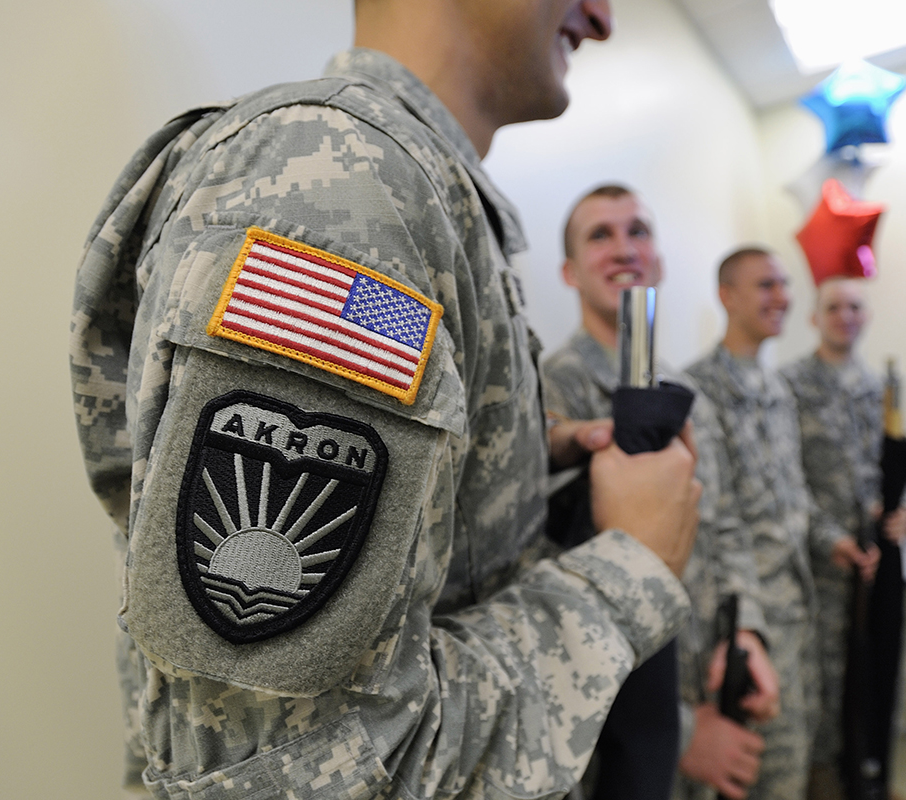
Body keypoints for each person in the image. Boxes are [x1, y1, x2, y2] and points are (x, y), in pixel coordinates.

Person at [69, 2, 705, 798]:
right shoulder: (339, 184)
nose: (604, 17)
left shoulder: (400, 189)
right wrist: (630, 570)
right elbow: (294, 777)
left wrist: (531, 455)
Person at [539, 186, 781, 800]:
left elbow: (721, 522)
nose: (624, 247)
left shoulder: (680, 389)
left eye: (638, 231)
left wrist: (742, 632)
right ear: (569, 272)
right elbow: (544, 588)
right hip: (615, 729)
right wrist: (676, 727)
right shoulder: (547, 399)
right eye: (600, 235)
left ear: (661, 261)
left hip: (707, 678)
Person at [684, 248, 878, 800]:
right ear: (728, 295)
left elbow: (793, 496)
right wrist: (744, 628)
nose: (782, 297)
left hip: (802, 607)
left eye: (786, 285)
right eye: (766, 285)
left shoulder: (776, 391)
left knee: (801, 762)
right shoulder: (701, 390)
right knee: (762, 778)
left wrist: (830, 539)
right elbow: (714, 521)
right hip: (749, 625)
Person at [779, 279, 906, 800]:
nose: (845, 315)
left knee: (879, 669)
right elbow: (786, 478)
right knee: (825, 683)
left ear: (867, 316)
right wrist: (829, 536)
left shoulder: (881, 387)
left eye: (855, 306)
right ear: (814, 318)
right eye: (833, 307)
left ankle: (872, 774)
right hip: (821, 565)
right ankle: (827, 781)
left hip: (877, 559)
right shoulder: (790, 384)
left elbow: (902, 465)